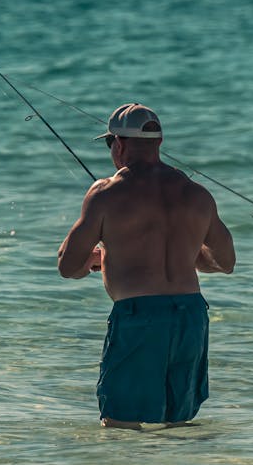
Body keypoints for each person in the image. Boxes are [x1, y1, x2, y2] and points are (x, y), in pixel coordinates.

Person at [58, 103, 235, 428]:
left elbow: (68, 265)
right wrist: (188, 254)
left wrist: (95, 259)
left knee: (120, 424)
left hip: (139, 316)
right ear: (158, 144)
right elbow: (225, 262)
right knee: (178, 424)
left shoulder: (105, 194)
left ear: (120, 144)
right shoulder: (196, 193)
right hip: (191, 316)